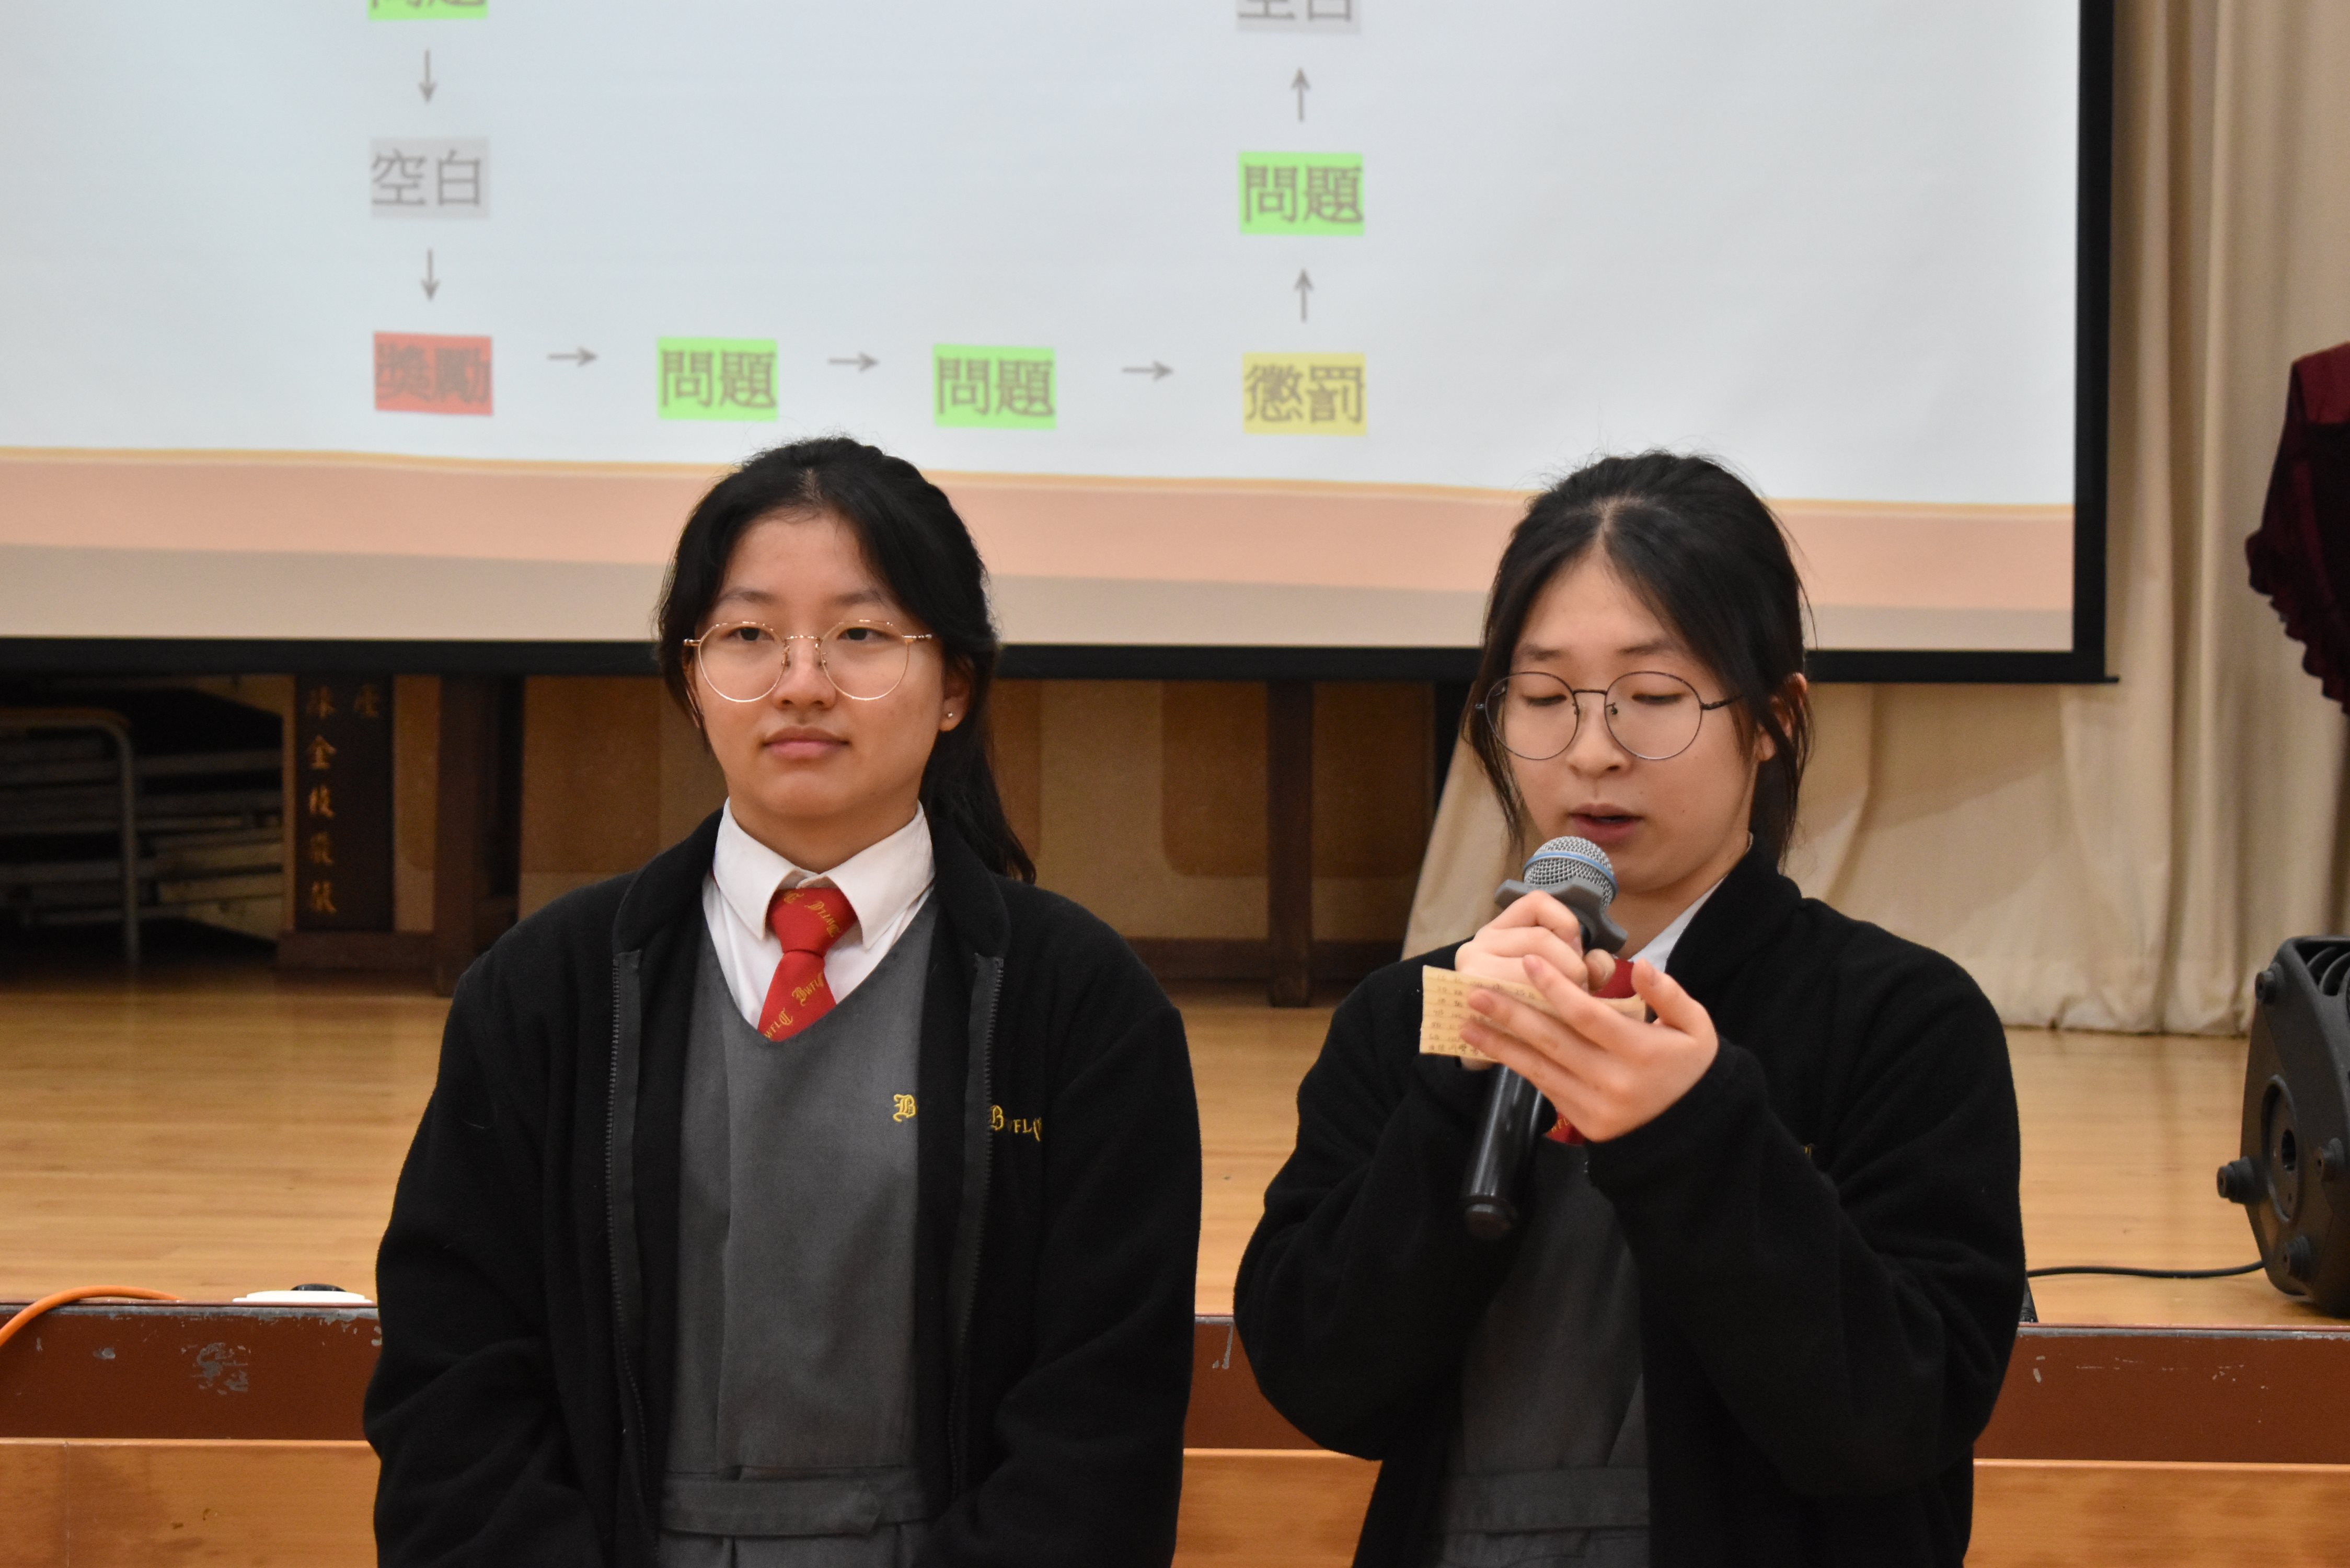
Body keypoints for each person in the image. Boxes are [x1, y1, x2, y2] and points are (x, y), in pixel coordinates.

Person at [366, 437, 1203, 1567]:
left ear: (956, 686)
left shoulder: (1080, 1008)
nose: (801, 683)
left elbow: (1102, 1426)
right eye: (749, 636)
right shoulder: (546, 990)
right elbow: (453, 1381)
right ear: (690, 679)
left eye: (861, 636)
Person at [1234, 452, 2024, 1567]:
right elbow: (1322, 1381)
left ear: (1774, 717)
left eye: (1653, 700)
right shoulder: (1410, 1014)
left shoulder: (1903, 1022)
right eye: (1544, 699)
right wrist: (1457, 1089)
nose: (1593, 751)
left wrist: (1697, 1132)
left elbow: (1896, 1418)